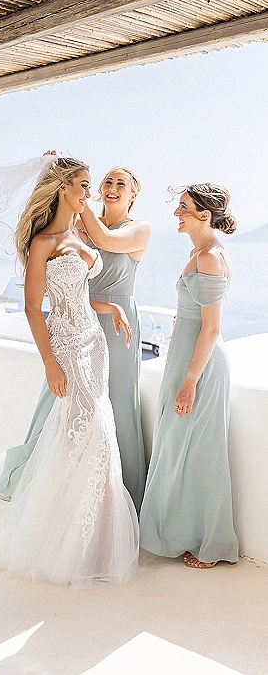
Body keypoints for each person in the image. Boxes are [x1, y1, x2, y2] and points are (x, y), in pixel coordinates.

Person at [0, 158, 139, 587]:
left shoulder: (79, 234)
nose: (90, 193)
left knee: (97, 434)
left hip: (94, 343)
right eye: (84, 185)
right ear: (63, 189)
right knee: (88, 432)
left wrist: (110, 307)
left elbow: (78, 293)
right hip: (66, 348)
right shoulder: (43, 242)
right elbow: (32, 307)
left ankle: (94, 543)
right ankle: (64, 543)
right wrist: (50, 362)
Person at [0, 165, 150, 512]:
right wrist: (53, 177)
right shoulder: (77, 229)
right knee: (60, 407)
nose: (110, 187)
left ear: (134, 194)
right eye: (105, 181)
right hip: (73, 329)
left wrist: (74, 191)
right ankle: (53, 494)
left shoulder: (136, 228)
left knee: (115, 405)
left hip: (111, 327)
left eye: (120, 183)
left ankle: (120, 495)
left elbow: (104, 241)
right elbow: (50, 265)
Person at [139, 184, 238, 568]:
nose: (176, 214)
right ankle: (186, 534)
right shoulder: (199, 253)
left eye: (183, 207)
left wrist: (190, 382)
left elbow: (211, 329)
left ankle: (212, 546)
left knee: (201, 453)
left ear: (204, 215)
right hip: (186, 362)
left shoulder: (210, 257)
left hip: (201, 368)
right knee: (179, 450)